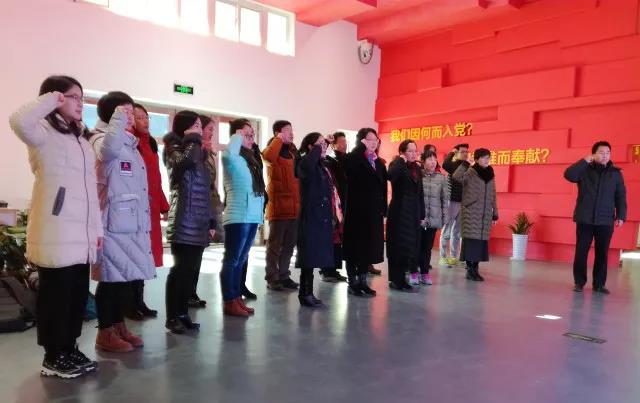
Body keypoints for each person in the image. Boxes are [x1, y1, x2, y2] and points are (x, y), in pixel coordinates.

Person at [9, 75, 102, 378]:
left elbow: (90, 193)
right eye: (73, 97)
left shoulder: (82, 139)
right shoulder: (42, 133)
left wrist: (97, 231)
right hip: (56, 230)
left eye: (82, 98)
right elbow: (18, 120)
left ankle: (69, 348)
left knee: (76, 296)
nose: (80, 103)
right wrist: (51, 100)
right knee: (56, 299)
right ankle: (53, 356)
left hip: (81, 234)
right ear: (55, 98)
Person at [89, 92, 155, 352]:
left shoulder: (130, 143)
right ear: (112, 115)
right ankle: (104, 331)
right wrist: (118, 122)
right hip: (112, 221)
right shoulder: (100, 138)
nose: (130, 117)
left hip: (131, 220)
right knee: (110, 278)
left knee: (125, 279)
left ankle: (118, 325)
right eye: (124, 111)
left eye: (130, 111)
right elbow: (108, 151)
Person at [163, 111, 216, 333]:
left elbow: (206, 189)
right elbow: (183, 163)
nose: (199, 130)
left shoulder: (197, 151)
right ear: (184, 127)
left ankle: (183, 313)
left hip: (199, 220)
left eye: (199, 126)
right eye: (195, 125)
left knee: (190, 272)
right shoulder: (173, 148)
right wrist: (193, 140)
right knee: (180, 271)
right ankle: (172, 317)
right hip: (184, 219)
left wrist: (211, 220)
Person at [564, 141, 627, 294]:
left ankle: (599, 284)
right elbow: (569, 175)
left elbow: (620, 196)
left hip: (605, 220)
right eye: (601, 152)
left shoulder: (616, 174)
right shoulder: (584, 170)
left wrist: (621, 215)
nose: (605, 155)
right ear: (594, 154)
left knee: (602, 253)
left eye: (607, 153)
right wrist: (585, 160)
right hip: (585, 218)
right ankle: (579, 282)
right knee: (581, 251)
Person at [126, 103, 170, 320]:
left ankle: (139, 301)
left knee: (145, 256)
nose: (144, 121)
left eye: (146, 117)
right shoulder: (129, 142)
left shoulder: (150, 143)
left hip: (150, 208)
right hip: (136, 208)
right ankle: (129, 304)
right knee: (134, 255)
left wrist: (163, 205)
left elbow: (156, 179)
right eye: (139, 117)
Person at [220, 119, 265, 317]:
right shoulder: (231, 156)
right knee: (232, 259)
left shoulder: (250, 159)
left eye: (252, 135)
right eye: (246, 135)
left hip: (252, 215)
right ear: (236, 135)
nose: (251, 139)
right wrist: (238, 135)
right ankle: (229, 301)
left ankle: (237, 297)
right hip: (238, 215)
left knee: (241, 259)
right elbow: (231, 150)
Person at [342, 128, 387, 297]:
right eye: (369, 140)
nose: (374, 143)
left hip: (373, 212)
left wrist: (383, 208)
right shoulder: (352, 159)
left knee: (368, 248)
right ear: (361, 141)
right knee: (354, 248)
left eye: (376, 140)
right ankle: (352, 282)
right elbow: (348, 170)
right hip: (356, 212)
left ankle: (363, 281)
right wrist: (360, 149)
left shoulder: (378, 162)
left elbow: (383, 188)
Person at [295, 132, 338, 307]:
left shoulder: (322, 165)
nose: (324, 147)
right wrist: (322, 143)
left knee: (315, 256)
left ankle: (309, 292)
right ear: (310, 147)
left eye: (325, 145)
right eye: (319, 144)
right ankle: (304, 293)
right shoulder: (304, 162)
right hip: (311, 216)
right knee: (309, 257)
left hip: (322, 217)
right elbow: (307, 165)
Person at [261, 120, 300, 292]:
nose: (291, 133)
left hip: (295, 206)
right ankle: (272, 277)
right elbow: (268, 157)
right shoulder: (272, 150)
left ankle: (284, 275)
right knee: (274, 246)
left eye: (292, 130)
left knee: (289, 245)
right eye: (287, 130)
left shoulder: (292, 151)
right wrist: (278, 139)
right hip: (279, 205)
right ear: (278, 133)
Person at [192, 115, 225, 306]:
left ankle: (191, 292)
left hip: (209, 205)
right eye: (209, 129)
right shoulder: (196, 151)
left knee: (199, 253)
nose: (212, 133)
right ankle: (188, 293)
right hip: (198, 207)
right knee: (191, 256)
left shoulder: (209, 151)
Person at [453, 148, 498, 282]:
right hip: (471, 212)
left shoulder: (490, 174)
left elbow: (493, 194)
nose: (487, 160)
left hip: (485, 214)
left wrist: (495, 213)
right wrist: (466, 163)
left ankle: (475, 269)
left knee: (480, 243)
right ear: (477, 159)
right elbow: (456, 177)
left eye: (488, 157)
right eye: (484, 157)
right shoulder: (471, 172)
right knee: (471, 242)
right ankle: (469, 270)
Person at [386, 140, 425, 292]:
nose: (414, 154)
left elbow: (420, 193)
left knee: (409, 246)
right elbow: (390, 176)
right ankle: (396, 280)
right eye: (410, 151)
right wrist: (400, 161)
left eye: (415, 151)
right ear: (402, 152)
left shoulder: (417, 168)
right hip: (399, 211)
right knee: (398, 246)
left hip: (413, 212)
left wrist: (422, 214)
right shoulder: (397, 165)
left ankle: (402, 279)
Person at [415, 150, 449, 285]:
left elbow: (444, 200)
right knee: (416, 246)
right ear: (423, 162)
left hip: (434, 219)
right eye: (429, 159)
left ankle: (424, 273)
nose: (433, 162)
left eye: (434, 159)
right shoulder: (417, 175)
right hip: (418, 218)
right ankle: (413, 271)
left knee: (427, 248)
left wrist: (445, 218)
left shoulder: (441, 178)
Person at [320, 131, 348, 282]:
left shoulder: (344, 160)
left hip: (340, 204)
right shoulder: (329, 161)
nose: (344, 144)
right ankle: (326, 270)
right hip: (330, 205)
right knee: (329, 238)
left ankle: (334, 270)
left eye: (345, 141)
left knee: (337, 239)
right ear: (333, 145)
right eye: (341, 142)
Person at [440, 143, 469, 267]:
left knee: (457, 232)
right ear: (456, 153)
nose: (465, 154)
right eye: (462, 151)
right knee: (447, 230)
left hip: (463, 203)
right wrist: (452, 151)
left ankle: (453, 257)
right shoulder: (453, 165)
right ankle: (442, 257)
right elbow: (445, 164)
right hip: (451, 201)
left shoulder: (468, 167)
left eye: (466, 152)